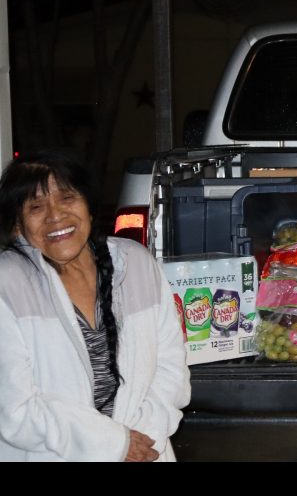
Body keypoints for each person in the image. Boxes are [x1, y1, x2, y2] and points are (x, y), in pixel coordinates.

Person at [0, 151, 191, 461]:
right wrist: (114, 444)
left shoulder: (136, 264)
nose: (55, 215)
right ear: (17, 227)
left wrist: (141, 440)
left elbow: (171, 371)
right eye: (36, 206)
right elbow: (14, 410)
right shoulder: (7, 283)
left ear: (89, 208)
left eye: (66, 198)